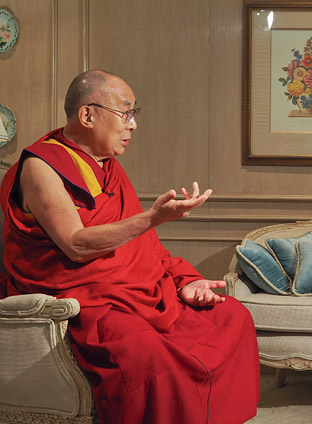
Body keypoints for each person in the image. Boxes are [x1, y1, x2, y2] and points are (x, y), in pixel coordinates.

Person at [0, 70, 260, 423]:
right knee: (149, 355)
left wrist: (185, 282)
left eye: (134, 114)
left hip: (133, 293)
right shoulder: (41, 167)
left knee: (232, 315)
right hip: (86, 301)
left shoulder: (106, 168)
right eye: (125, 113)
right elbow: (76, 246)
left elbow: (144, 250)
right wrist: (152, 218)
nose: (133, 125)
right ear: (88, 115)